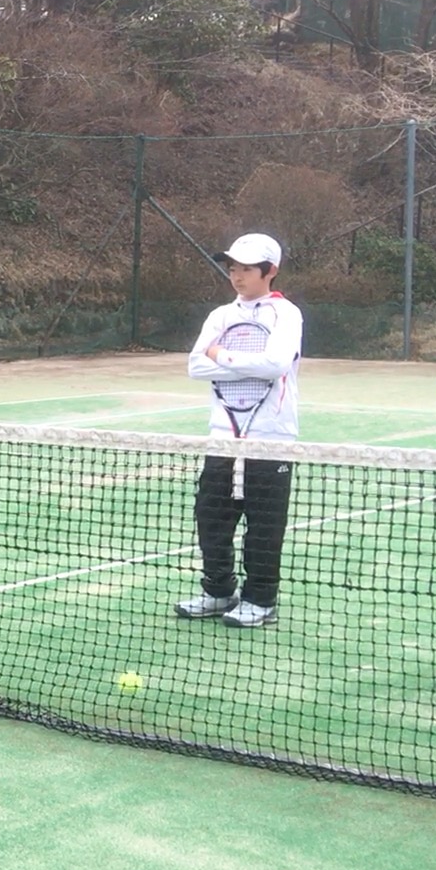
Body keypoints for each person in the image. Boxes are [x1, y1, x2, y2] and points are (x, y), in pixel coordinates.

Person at [176, 232, 303, 629]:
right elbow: (196, 365)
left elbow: (275, 365)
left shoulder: (286, 314)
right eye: (232, 268)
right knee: (211, 517)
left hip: (271, 438)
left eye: (246, 268)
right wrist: (244, 362)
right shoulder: (220, 316)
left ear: (270, 271)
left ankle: (260, 600)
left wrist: (221, 355)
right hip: (222, 437)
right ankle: (218, 591)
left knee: (264, 527)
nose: (237, 276)